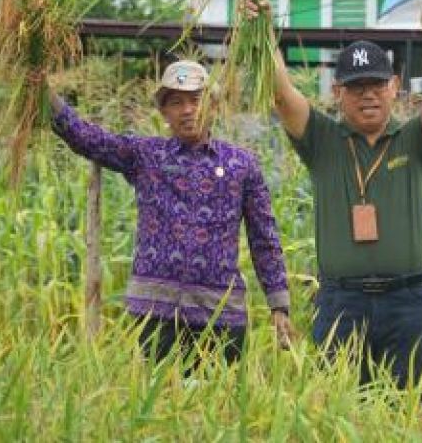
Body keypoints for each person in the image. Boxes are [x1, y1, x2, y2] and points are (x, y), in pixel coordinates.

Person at [267, 0, 422, 388]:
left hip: (406, 301)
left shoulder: (413, 139)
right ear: (337, 92)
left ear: (394, 86)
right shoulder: (322, 139)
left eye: (376, 84)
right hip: (341, 303)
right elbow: (283, 96)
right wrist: (263, 34)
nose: (367, 94)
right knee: (340, 413)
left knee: (410, 416)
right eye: (356, 87)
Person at [49, 60, 292, 367]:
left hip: (220, 317)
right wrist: (43, 93)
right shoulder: (146, 156)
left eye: (196, 100)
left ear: (214, 107)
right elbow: (88, 138)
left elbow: (264, 237)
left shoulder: (241, 165)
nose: (188, 110)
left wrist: (278, 305)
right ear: (164, 112)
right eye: (176, 103)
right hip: (156, 313)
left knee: (220, 408)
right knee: (156, 404)